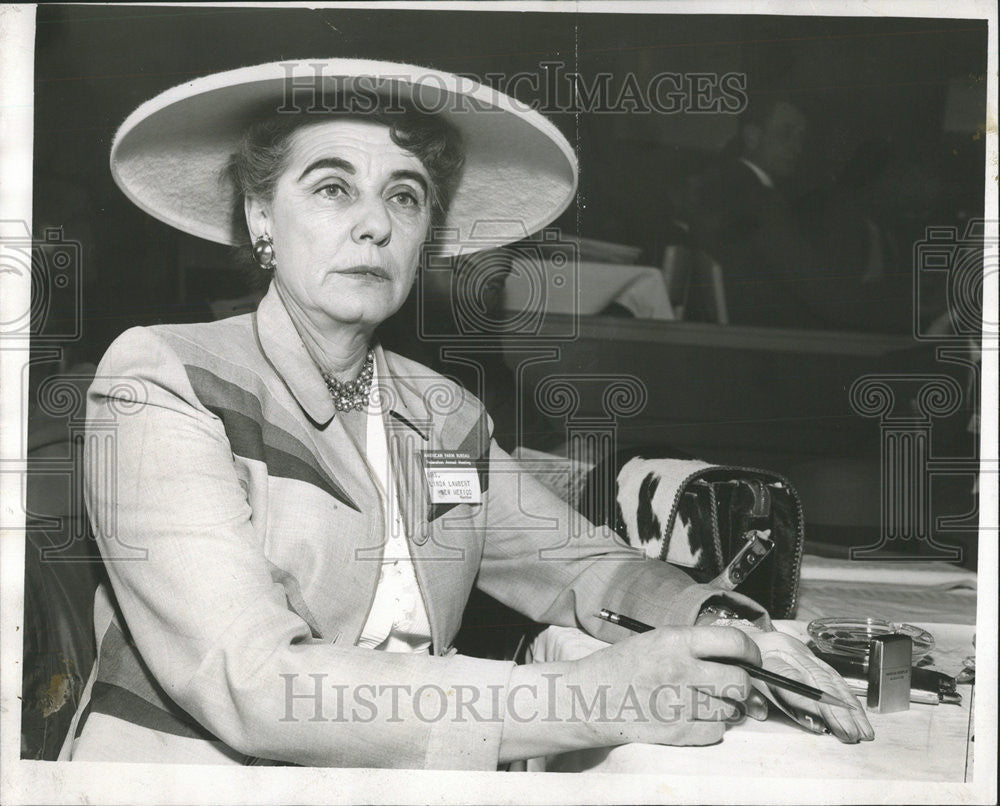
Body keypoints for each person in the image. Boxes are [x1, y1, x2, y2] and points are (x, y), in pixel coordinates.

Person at [59, 60, 871, 769]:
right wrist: (591, 696)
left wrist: (730, 629)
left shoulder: (440, 413)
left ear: (424, 236)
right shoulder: (163, 379)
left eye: (404, 197)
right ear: (261, 216)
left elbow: (581, 566)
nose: (374, 223)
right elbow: (255, 683)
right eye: (333, 187)